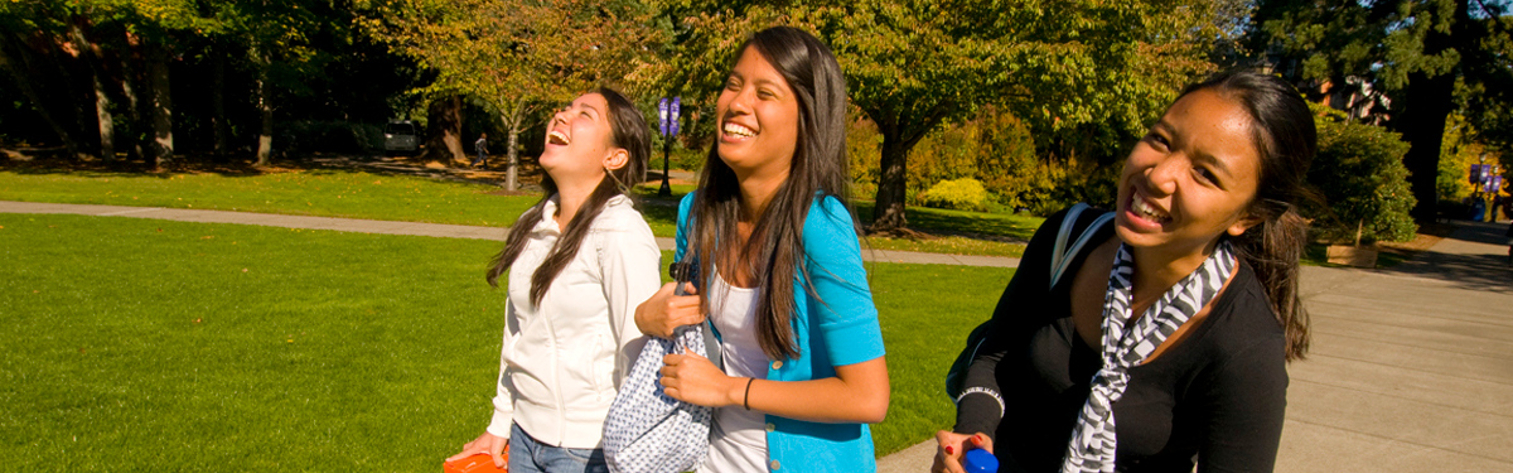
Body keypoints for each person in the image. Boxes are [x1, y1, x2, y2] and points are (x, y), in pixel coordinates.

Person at [934, 71, 1316, 473]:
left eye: (1205, 173)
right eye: (1161, 140)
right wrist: (974, 434)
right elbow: (995, 355)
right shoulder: (1068, 238)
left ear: (1248, 216)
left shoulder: (1246, 345)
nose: (1157, 175)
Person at [634, 26, 890, 473]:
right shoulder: (697, 213)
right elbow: (689, 332)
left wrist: (729, 389)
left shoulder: (821, 227)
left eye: (764, 93)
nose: (737, 103)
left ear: (806, 119)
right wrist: (647, 317)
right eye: (734, 84)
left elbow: (867, 397)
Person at [447, 88, 660, 473]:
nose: (561, 115)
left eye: (585, 114)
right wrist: (501, 423)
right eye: (565, 108)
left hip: (588, 451)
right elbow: (518, 333)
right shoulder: (536, 222)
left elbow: (640, 351)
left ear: (615, 157)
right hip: (525, 438)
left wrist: (627, 452)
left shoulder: (620, 231)